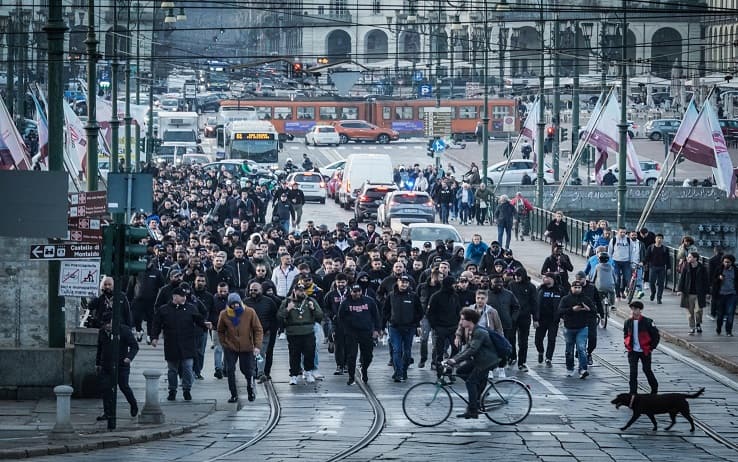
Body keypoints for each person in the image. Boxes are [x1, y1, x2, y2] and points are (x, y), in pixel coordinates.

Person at [151, 286, 212, 401]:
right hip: (171, 344)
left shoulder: (190, 308)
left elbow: (198, 320)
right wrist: (154, 337)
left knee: (188, 367)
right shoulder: (164, 309)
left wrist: (205, 324)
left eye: (185, 296)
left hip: (187, 344)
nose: (184, 298)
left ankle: (187, 389)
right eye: (181, 296)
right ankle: (172, 390)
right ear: (174, 297)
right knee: (172, 369)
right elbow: (156, 324)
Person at [445, 307, 499, 419]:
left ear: (470, 321)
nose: (460, 322)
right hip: (479, 359)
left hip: (486, 361)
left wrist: (454, 360)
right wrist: (453, 360)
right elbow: (466, 349)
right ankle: (478, 391)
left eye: (462, 319)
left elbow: (472, 350)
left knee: (470, 382)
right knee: (460, 371)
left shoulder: (479, 332)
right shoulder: (472, 331)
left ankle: (473, 410)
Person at [217, 292, 263, 403]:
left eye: (237, 304)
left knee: (247, 370)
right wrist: (224, 343)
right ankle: (233, 394)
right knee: (230, 370)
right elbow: (220, 330)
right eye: (233, 305)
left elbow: (258, 329)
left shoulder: (249, 312)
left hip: (246, 346)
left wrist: (257, 346)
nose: (235, 306)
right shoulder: (224, 314)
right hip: (230, 347)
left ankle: (250, 389)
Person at [95, 312, 139, 421]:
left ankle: (133, 404)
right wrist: (98, 363)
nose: (108, 326)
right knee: (106, 388)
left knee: (124, 386)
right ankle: (107, 412)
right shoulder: (102, 332)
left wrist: (129, 358)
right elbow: (100, 348)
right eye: (106, 324)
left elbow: (134, 346)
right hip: (106, 364)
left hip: (121, 364)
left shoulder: (124, 330)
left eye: (110, 323)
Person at [277, 282, 323, 385]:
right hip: (293, 332)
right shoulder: (287, 302)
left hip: (308, 331)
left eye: (303, 290)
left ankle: (308, 372)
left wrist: (313, 309)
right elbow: (279, 316)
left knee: (310, 353)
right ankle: (294, 375)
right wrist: (288, 309)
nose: (302, 292)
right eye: (299, 290)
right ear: (294, 291)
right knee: (294, 355)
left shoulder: (310, 301)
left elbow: (320, 315)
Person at [338, 284, 382, 385]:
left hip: (366, 332)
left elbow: (376, 316)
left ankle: (364, 369)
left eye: (358, 291)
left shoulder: (369, 301)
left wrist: (377, 330)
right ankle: (351, 376)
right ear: (351, 291)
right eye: (354, 291)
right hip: (351, 333)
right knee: (351, 356)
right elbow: (340, 318)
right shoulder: (345, 303)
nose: (357, 293)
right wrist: (344, 331)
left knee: (368, 355)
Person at [384, 274, 424, 382]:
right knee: (397, 350)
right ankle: (398, 372)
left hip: (409, 328)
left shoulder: (413, 296)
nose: (404, 284)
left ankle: (404, 370)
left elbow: (420, 311)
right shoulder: (391, 295)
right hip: (394, 327)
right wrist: (389, 320)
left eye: (406, 282)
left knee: (407, 351)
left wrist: (415, 323)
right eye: (402, 282)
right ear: (398, 282)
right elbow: (385, 310)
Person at [558, 280, 595, 379]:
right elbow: (560, 311)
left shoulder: (586, 299)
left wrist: (588, 309)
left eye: (579, 287)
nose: (577, 289)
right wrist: (572, 309)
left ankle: (583, 369)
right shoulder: (565, 299)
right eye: (575, 287)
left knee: (581, 349)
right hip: (569, 328)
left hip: (582, 327)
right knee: (569, 350)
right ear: (571, 288)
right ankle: (570, 368)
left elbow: (593, 311)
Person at [427, 276, 463, 374]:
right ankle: (439, 370)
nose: (455, 285)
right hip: (440, 327)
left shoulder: (455, 296)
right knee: (439, 351)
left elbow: (458, 310)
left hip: (453, 327)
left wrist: (458, 324)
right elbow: (430, 313)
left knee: (456, 348)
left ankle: (449, 366)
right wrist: (434, 326)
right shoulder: (436, 296)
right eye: (453, 284)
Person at [623, 301, 660, 395]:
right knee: (633, 372)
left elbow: (656, 336)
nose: (633, 311)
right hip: (633, 351)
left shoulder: (648, 322)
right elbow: (626, 334)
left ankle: (654, 387)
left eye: (635, 309)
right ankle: (633, 393)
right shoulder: (628, 322)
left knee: (647, 369)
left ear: (640, 310)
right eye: (632, 309)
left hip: (645, 350)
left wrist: (651, 347)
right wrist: (627, 344)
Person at [534, 273, 563, 367]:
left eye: (548, 278)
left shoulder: (559, 290)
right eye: (545, 277)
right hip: (541, 318)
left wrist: (562, 317)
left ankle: (548, 358)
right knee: (538, 339)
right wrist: (535, 318)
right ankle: (540, 351)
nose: (546, 279)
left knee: (551, 339)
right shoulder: (540, 289)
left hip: (553, 320)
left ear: (553, 279)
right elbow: (535, 304)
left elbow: (564, 303)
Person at [677, 251, 709, 335]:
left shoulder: (702, 268)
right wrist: (679, 290)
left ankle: (698, 323)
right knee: (690, 313)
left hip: (699, 293)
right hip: (688, 292)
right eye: (688, 257)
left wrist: (707, 292)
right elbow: (682, 279)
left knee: (698, 310)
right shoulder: (686, 267)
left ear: (695, 258)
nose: (688, 258)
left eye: (690, 257)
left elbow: (706, 281)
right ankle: (692, 327)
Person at [712, 254, 738, 336]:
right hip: (721, 294)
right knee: (720, 315)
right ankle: (719, 328)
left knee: (730, 313)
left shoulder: (736, 270)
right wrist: (718, 279)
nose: (726, 264)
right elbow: (713, 281)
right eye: (725, 262)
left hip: (732, 294)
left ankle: (728, 331)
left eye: (728, 262)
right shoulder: (719, 269)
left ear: (732, 262)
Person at [608, 227, 637, 300]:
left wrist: (632, 262)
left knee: (627, 278)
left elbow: (631, 252)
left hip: (626, 261)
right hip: (615, 261)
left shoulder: (628, 240)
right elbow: (610, 252)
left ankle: (623, 291)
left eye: (624, 232)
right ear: (618, 232)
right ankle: (617, 295)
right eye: (621, 232)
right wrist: (610, 262)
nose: (623, 234)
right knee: (617, 279)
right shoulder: (613, 240)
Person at [644, 233, 670, 304]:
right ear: (655, 239)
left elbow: (668, 259)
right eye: (658, 238)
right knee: (651, 282)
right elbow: (647, 257)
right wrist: (645, 264)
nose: (659, 240)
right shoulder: (651, 247)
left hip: (662, 267)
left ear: (662, 239)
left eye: (660, 238)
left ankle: (659, 298)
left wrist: (668, 268)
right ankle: (653, 292)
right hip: (653, 267)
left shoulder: (665, 248)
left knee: (661, 283)